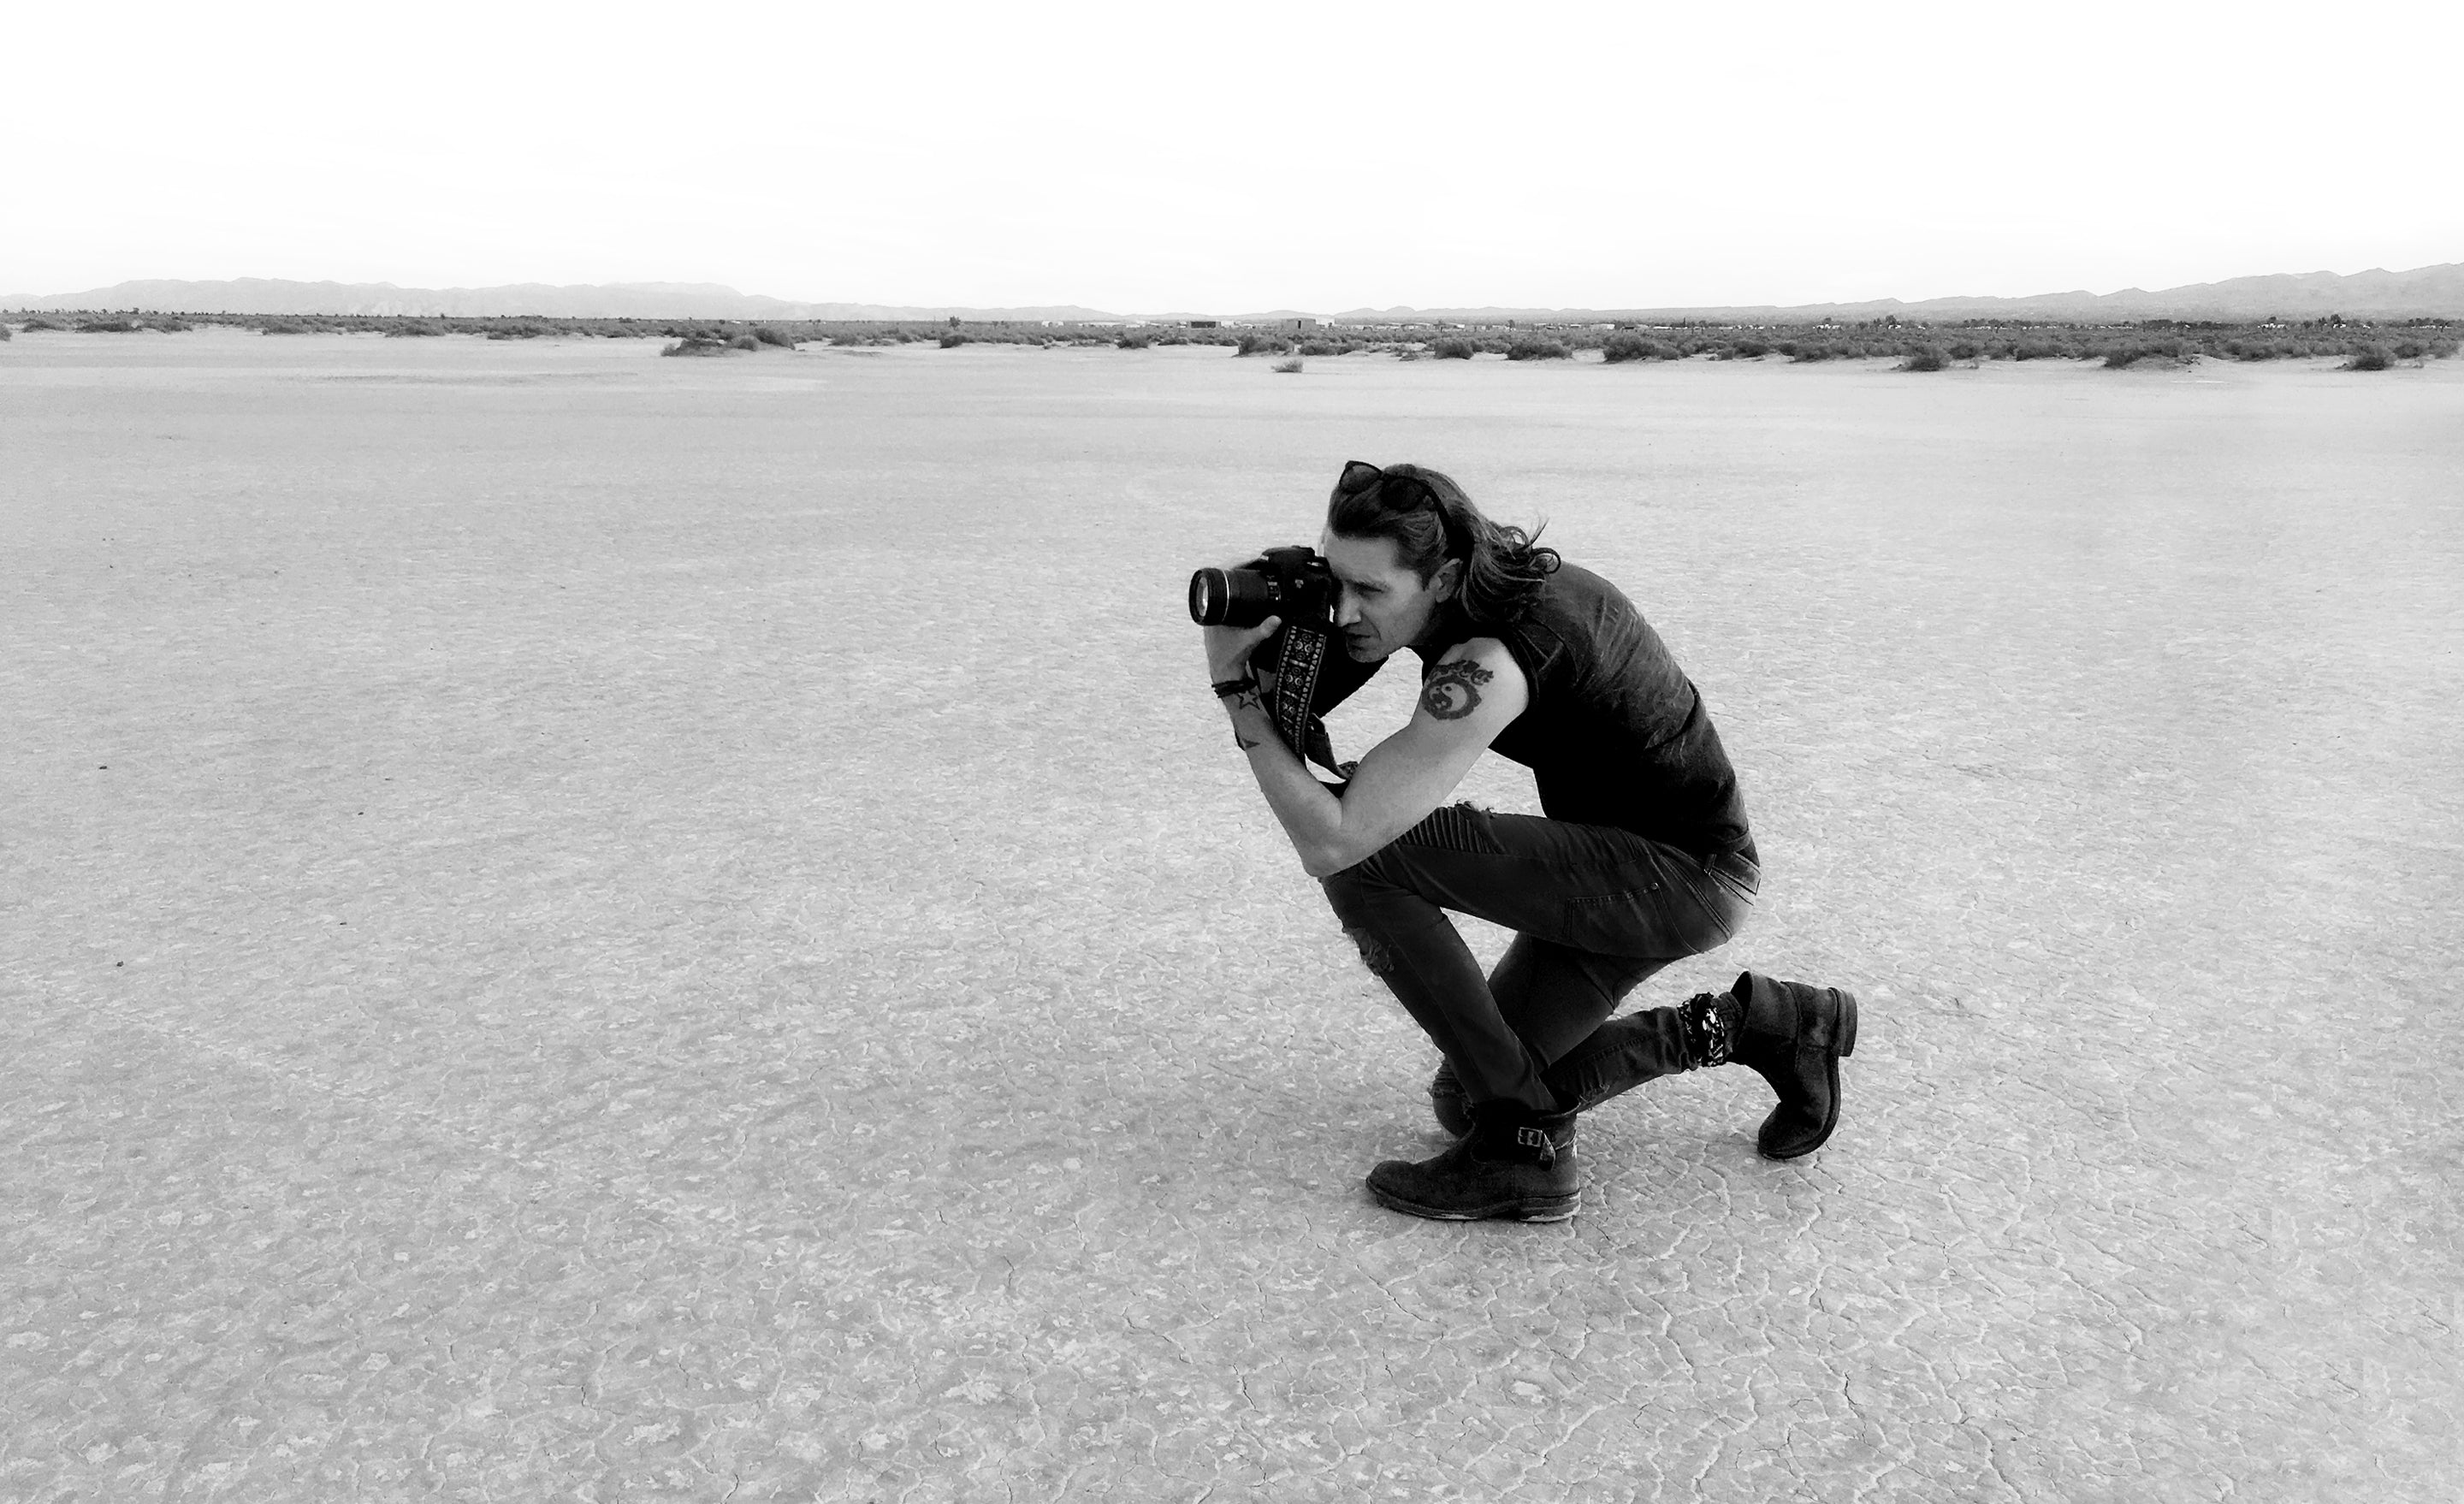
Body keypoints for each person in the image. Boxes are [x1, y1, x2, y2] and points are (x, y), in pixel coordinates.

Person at [1201, 460, 1857, 1223]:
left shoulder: (1494, 659)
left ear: (1443, 580)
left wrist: (1235, 688)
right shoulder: (1487, 586)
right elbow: (1335, 679)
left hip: (1679, 880)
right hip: (1629, 866)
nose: (1345, 611)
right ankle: (1765, 1025)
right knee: (1467, 1095)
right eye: (1334, 581)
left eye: (1371, 591)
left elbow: (1335, 841)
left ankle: (1524, 1155)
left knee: (1367, 854)